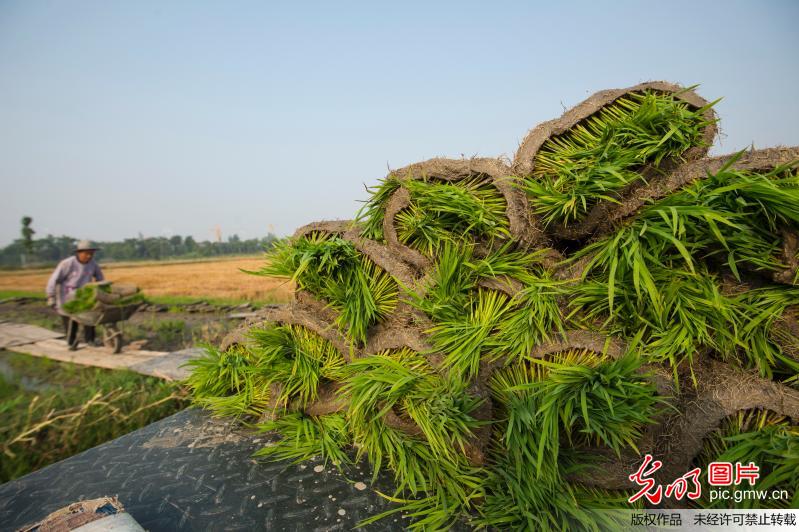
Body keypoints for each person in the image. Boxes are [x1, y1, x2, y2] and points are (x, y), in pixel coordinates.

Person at [46, 240, 105, 350]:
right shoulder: (67, 264)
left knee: (90, 317)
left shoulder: (93, 264)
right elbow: (53, 280)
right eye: (87, 253)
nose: (89, 256)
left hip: (84, 295)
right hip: (66, 296)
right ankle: (71, 342)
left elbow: (100, 278)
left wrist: (102, 290)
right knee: (71, 321)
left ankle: (90, 340)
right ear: (79, 252)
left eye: (91, 254)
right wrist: (50, 296)